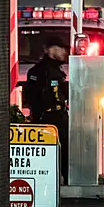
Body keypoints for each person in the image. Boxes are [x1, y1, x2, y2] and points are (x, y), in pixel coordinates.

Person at [22, 36, 70, 182]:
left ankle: (65, 178)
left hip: (59, 115)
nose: (64, 52)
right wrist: (38, 115)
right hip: (45, 117)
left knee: (65, 151)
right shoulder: (39, 71)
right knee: (46, 151)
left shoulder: (57, 70)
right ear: (51, 50)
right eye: (60, 48)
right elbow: (32, 96)